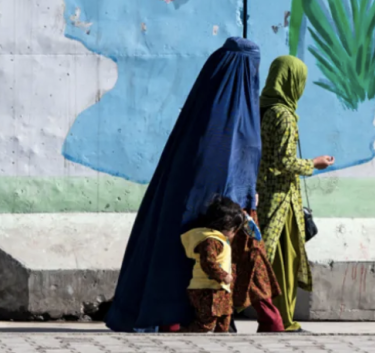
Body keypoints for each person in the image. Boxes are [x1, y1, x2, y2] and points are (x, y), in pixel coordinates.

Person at [105, 37, 285, 333]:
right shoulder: (216, 116)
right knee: (193, 259)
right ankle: (176, 316)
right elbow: (210, 161)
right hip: (208, 209)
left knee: (240, 261)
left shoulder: (223, 109)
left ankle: (256, 318)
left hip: (229, 210)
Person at [257, 55, 335, 332]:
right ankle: (282, 319)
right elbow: (285, 162)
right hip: (281, 198)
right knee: (285, 261)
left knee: (263, 256)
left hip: (262, 193)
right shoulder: (284, 115)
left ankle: (269, 317)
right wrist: (315, 163)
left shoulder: (261, 108)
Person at [180, 195, 247, 333]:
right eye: (234, 229)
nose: (235, 233)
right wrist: (223, 276)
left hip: (220, 290)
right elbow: (208, 263)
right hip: (207, 290)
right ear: (227, 226)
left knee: (224, 321)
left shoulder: (220, 240)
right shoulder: (211, 241)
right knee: (206, 323)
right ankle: (181, 337)